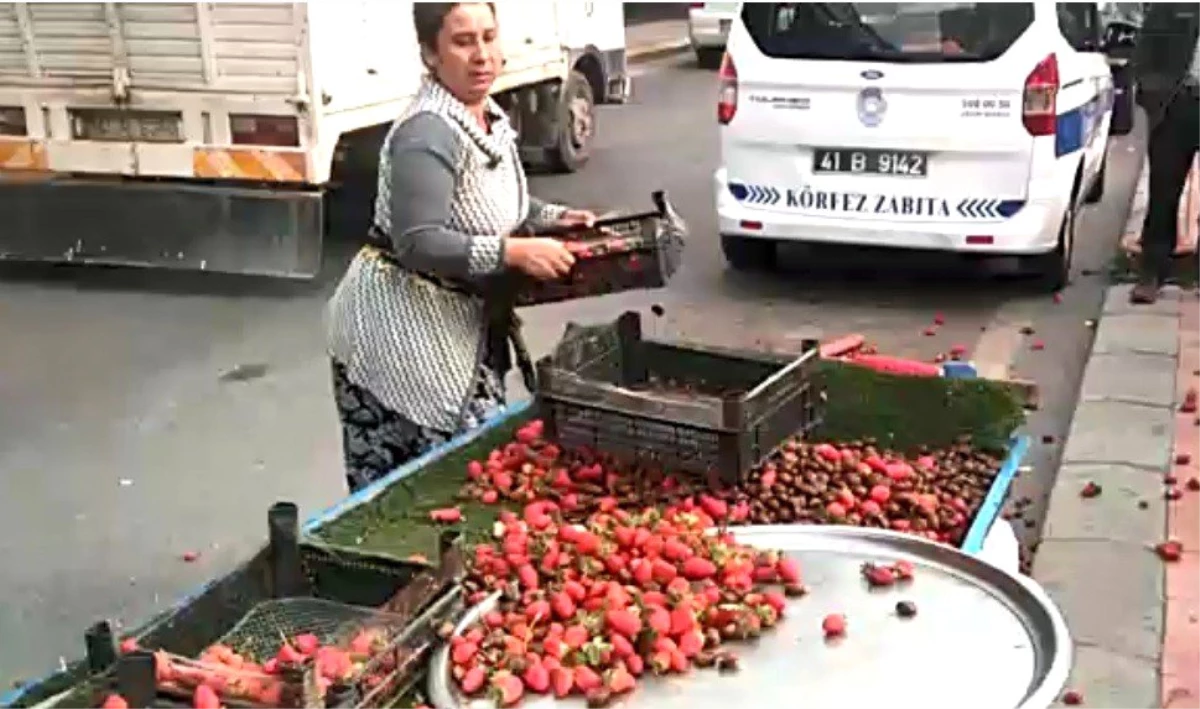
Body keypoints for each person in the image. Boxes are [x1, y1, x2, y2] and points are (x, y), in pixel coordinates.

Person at [325, 2, 597, 492]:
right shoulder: (427, 131)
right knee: (417, 492)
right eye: (463, 41)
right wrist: (513, 253)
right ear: (430, 53)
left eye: (489, 38)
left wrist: (553, 217)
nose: (482, 56)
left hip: (457, 328)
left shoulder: (485, 116)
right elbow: (418, 241)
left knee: (470, 479)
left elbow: (488, 201)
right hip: (397, 340)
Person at [1130, 3, 1200, 304]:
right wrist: (1155, 98)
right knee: (1163, 192)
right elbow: (1145, 53)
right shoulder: (1172, 6)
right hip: (1176, 107)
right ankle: (1152, 273)